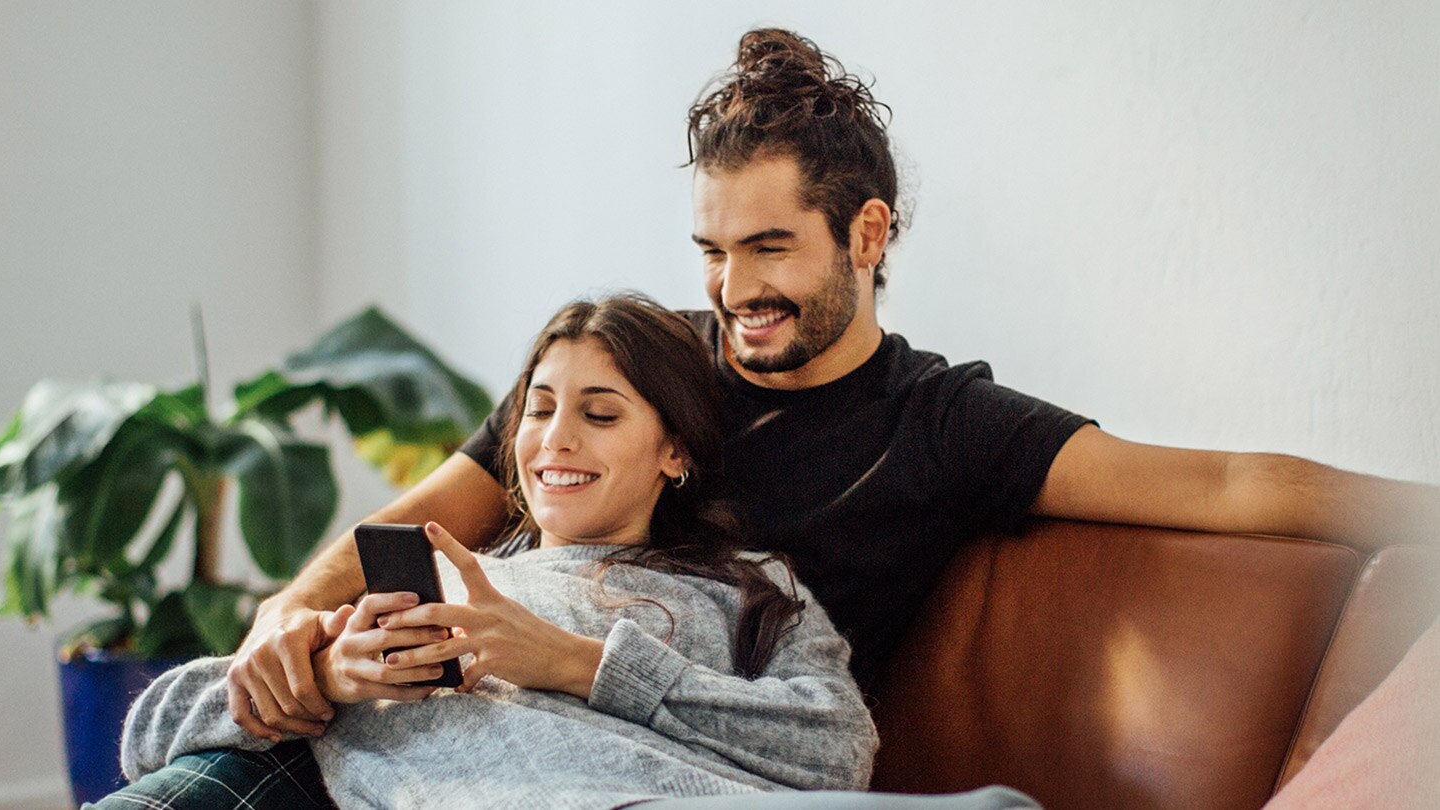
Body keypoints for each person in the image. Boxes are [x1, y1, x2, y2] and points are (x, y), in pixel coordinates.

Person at [106, 25, 1439, 809]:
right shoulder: (629, 368)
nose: (731, 292)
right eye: (708, 249)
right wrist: (284, 631)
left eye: (767, 250)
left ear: (867, 233)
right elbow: (417, 520)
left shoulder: (939, 424)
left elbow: (1219, 490)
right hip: (437, 744)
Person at [113, 294, 882, 808]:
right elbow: (154, 730)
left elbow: (839, 750)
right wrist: (320, 676)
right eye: (539, 410)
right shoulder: (435, 584)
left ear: (673, 450)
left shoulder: (746, 589)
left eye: (601, 414)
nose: (556, 439)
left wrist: (578, 664)